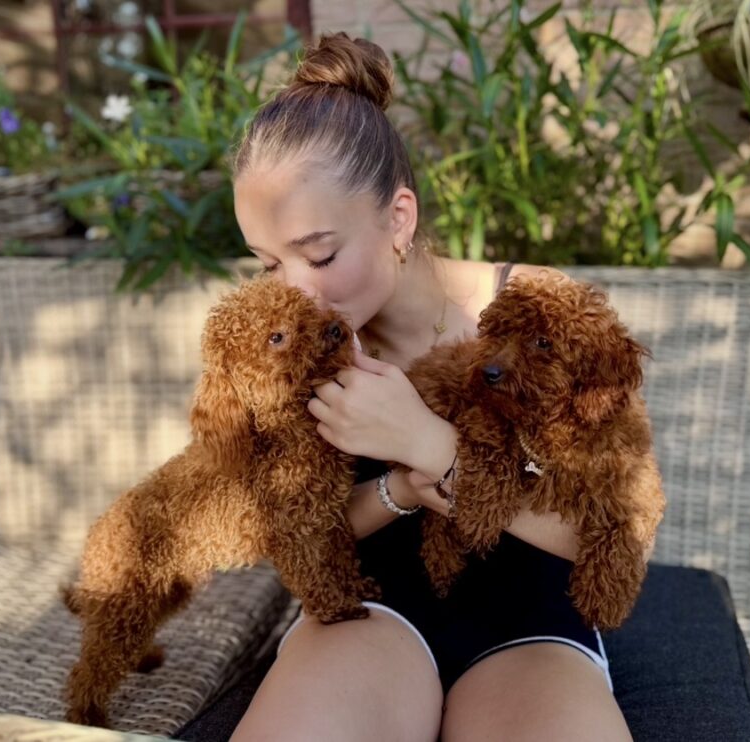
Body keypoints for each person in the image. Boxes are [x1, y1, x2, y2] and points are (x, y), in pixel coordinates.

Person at [226, 31, 637, 742]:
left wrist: (429, 445)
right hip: (368, 612)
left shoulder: (535, 311)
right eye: (267, 264)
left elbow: (609, 530)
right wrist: (398, 489)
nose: (293, 293)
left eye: (319, 255)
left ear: (399, 218)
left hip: (531, 626)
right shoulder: (289, 348)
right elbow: (290, 536)